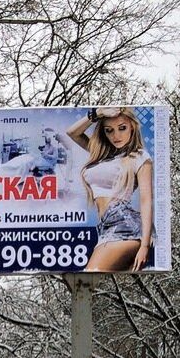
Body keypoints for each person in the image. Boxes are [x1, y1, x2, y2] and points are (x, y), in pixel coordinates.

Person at [65, 107, 154, 272]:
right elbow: (72, 133)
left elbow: (146, 200)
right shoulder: (103, 154)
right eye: (109, 130)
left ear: (132, 127)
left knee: (90, 273)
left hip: (125, 225)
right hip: (105, 228)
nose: (116, 136)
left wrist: (145, 245)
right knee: (89, 278)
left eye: (122, 128)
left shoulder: (139, 156)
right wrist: (97, 113)